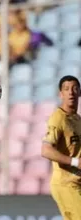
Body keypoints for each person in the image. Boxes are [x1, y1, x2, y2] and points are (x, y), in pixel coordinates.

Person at [41, 75, 81, 220]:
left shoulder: (77, 120)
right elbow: (46, 150)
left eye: (74, 88)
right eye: (66, 89)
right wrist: (75, 162)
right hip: (66, 185)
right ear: (61, 94)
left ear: (79, 92)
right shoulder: (58, 118)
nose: (71, 92)